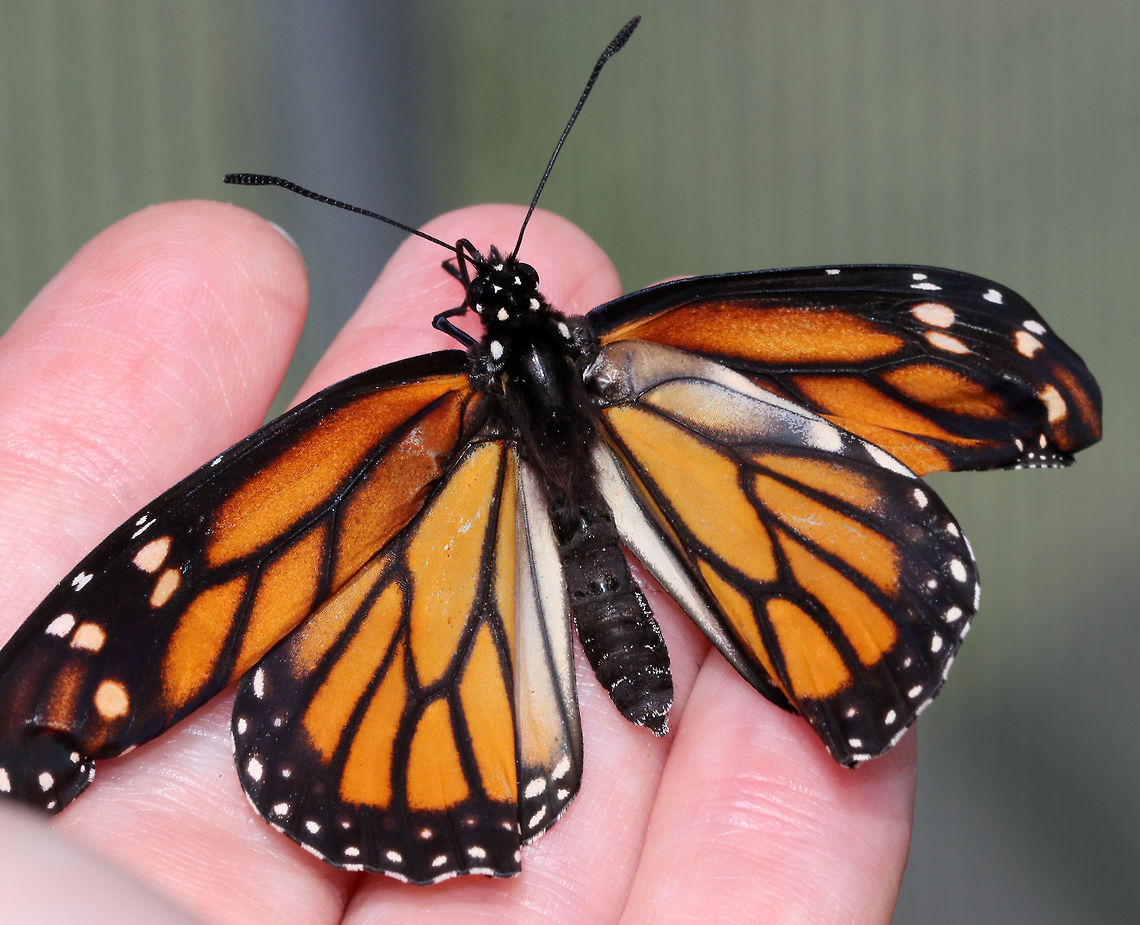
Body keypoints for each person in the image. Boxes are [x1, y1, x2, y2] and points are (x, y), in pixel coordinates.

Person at [0, 201, 915, 922]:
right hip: (523, 516)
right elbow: (178, 583)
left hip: (475, 532)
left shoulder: (414, 407)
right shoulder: (621, 353)